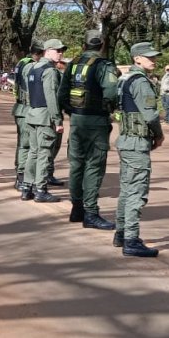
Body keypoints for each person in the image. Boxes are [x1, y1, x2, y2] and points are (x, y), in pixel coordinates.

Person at [58, 29, 118, 229]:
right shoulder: (104, 65)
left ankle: (77, 208)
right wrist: (108, 110)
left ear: (84, 44)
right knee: (94, 165)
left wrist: (72, 112)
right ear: (101, 44)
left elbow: (61, 95)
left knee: (76, 164)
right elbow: (111, 92)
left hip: (77, 121)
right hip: (96, 122)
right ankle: (91, 212)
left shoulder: (73, 64)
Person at [113, 43, 165, 257]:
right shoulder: (141, 82)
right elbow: (150, 115)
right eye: (148, 57)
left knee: (127, 188)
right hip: (136, 141)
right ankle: (131, 240)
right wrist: (159, 134)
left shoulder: (124, 79)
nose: (153, 60)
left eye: (154, 57)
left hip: (125, 139)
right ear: (137, 59)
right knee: (137, 191)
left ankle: (122, 232)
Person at [22, 39, 65, 202]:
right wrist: (58, 120)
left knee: (33, 152)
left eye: (62, 51)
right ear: (47, 51)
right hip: (45, 117)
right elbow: (51, 97)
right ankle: (41, 190)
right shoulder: (50, 71)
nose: (60, 53)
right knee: (44, 153)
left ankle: (27, 187)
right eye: (57, 50)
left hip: (32, 114)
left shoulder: (33, 68)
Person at [11, 45, 39, 191]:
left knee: (23, 144)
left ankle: (23, 176)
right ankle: (22, 177)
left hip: (21, 108)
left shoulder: (21, 62)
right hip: (26, 109)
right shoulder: (29, 66)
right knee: (25, 144)